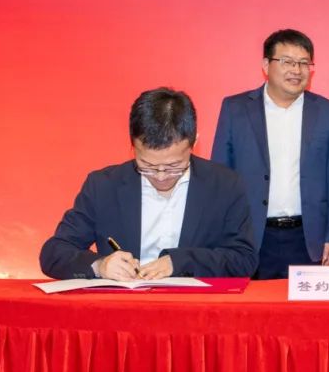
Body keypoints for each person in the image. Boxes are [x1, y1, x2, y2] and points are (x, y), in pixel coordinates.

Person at [39, 88, 257, 280]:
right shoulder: (104, 186)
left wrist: (179, 263)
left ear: (194, 143)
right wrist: (99, 265)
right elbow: (54, 253)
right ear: (132, 146)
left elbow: (244, 259)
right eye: (147, 165)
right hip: (124, 309)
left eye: (173, 166)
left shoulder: (224, 184)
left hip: (195, 309)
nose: (160, 177)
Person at [212, 29, 329, 279]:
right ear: (266, 65)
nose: (296, 70)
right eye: (287, 61)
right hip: (250, 236)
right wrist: (222, 233)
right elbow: (220, 175)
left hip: (307, 238)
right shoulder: (235, 108)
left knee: (304, 306)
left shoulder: (326, 111)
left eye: (304, 63)